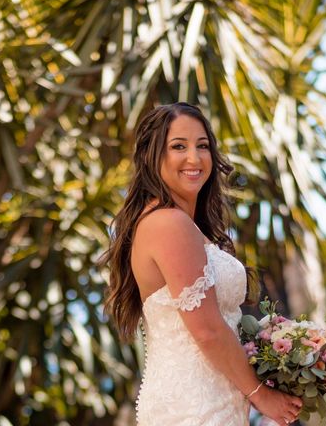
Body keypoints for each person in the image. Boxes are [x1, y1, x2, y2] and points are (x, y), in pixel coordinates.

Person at [104, 103, 302, 425]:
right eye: (178, 146)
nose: (194, 158)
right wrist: (263, 397)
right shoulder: (169, 223)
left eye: (203, 146)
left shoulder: (179, 224)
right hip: (195, 407)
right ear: (153, 156)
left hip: (209, 400)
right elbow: (207, 329)